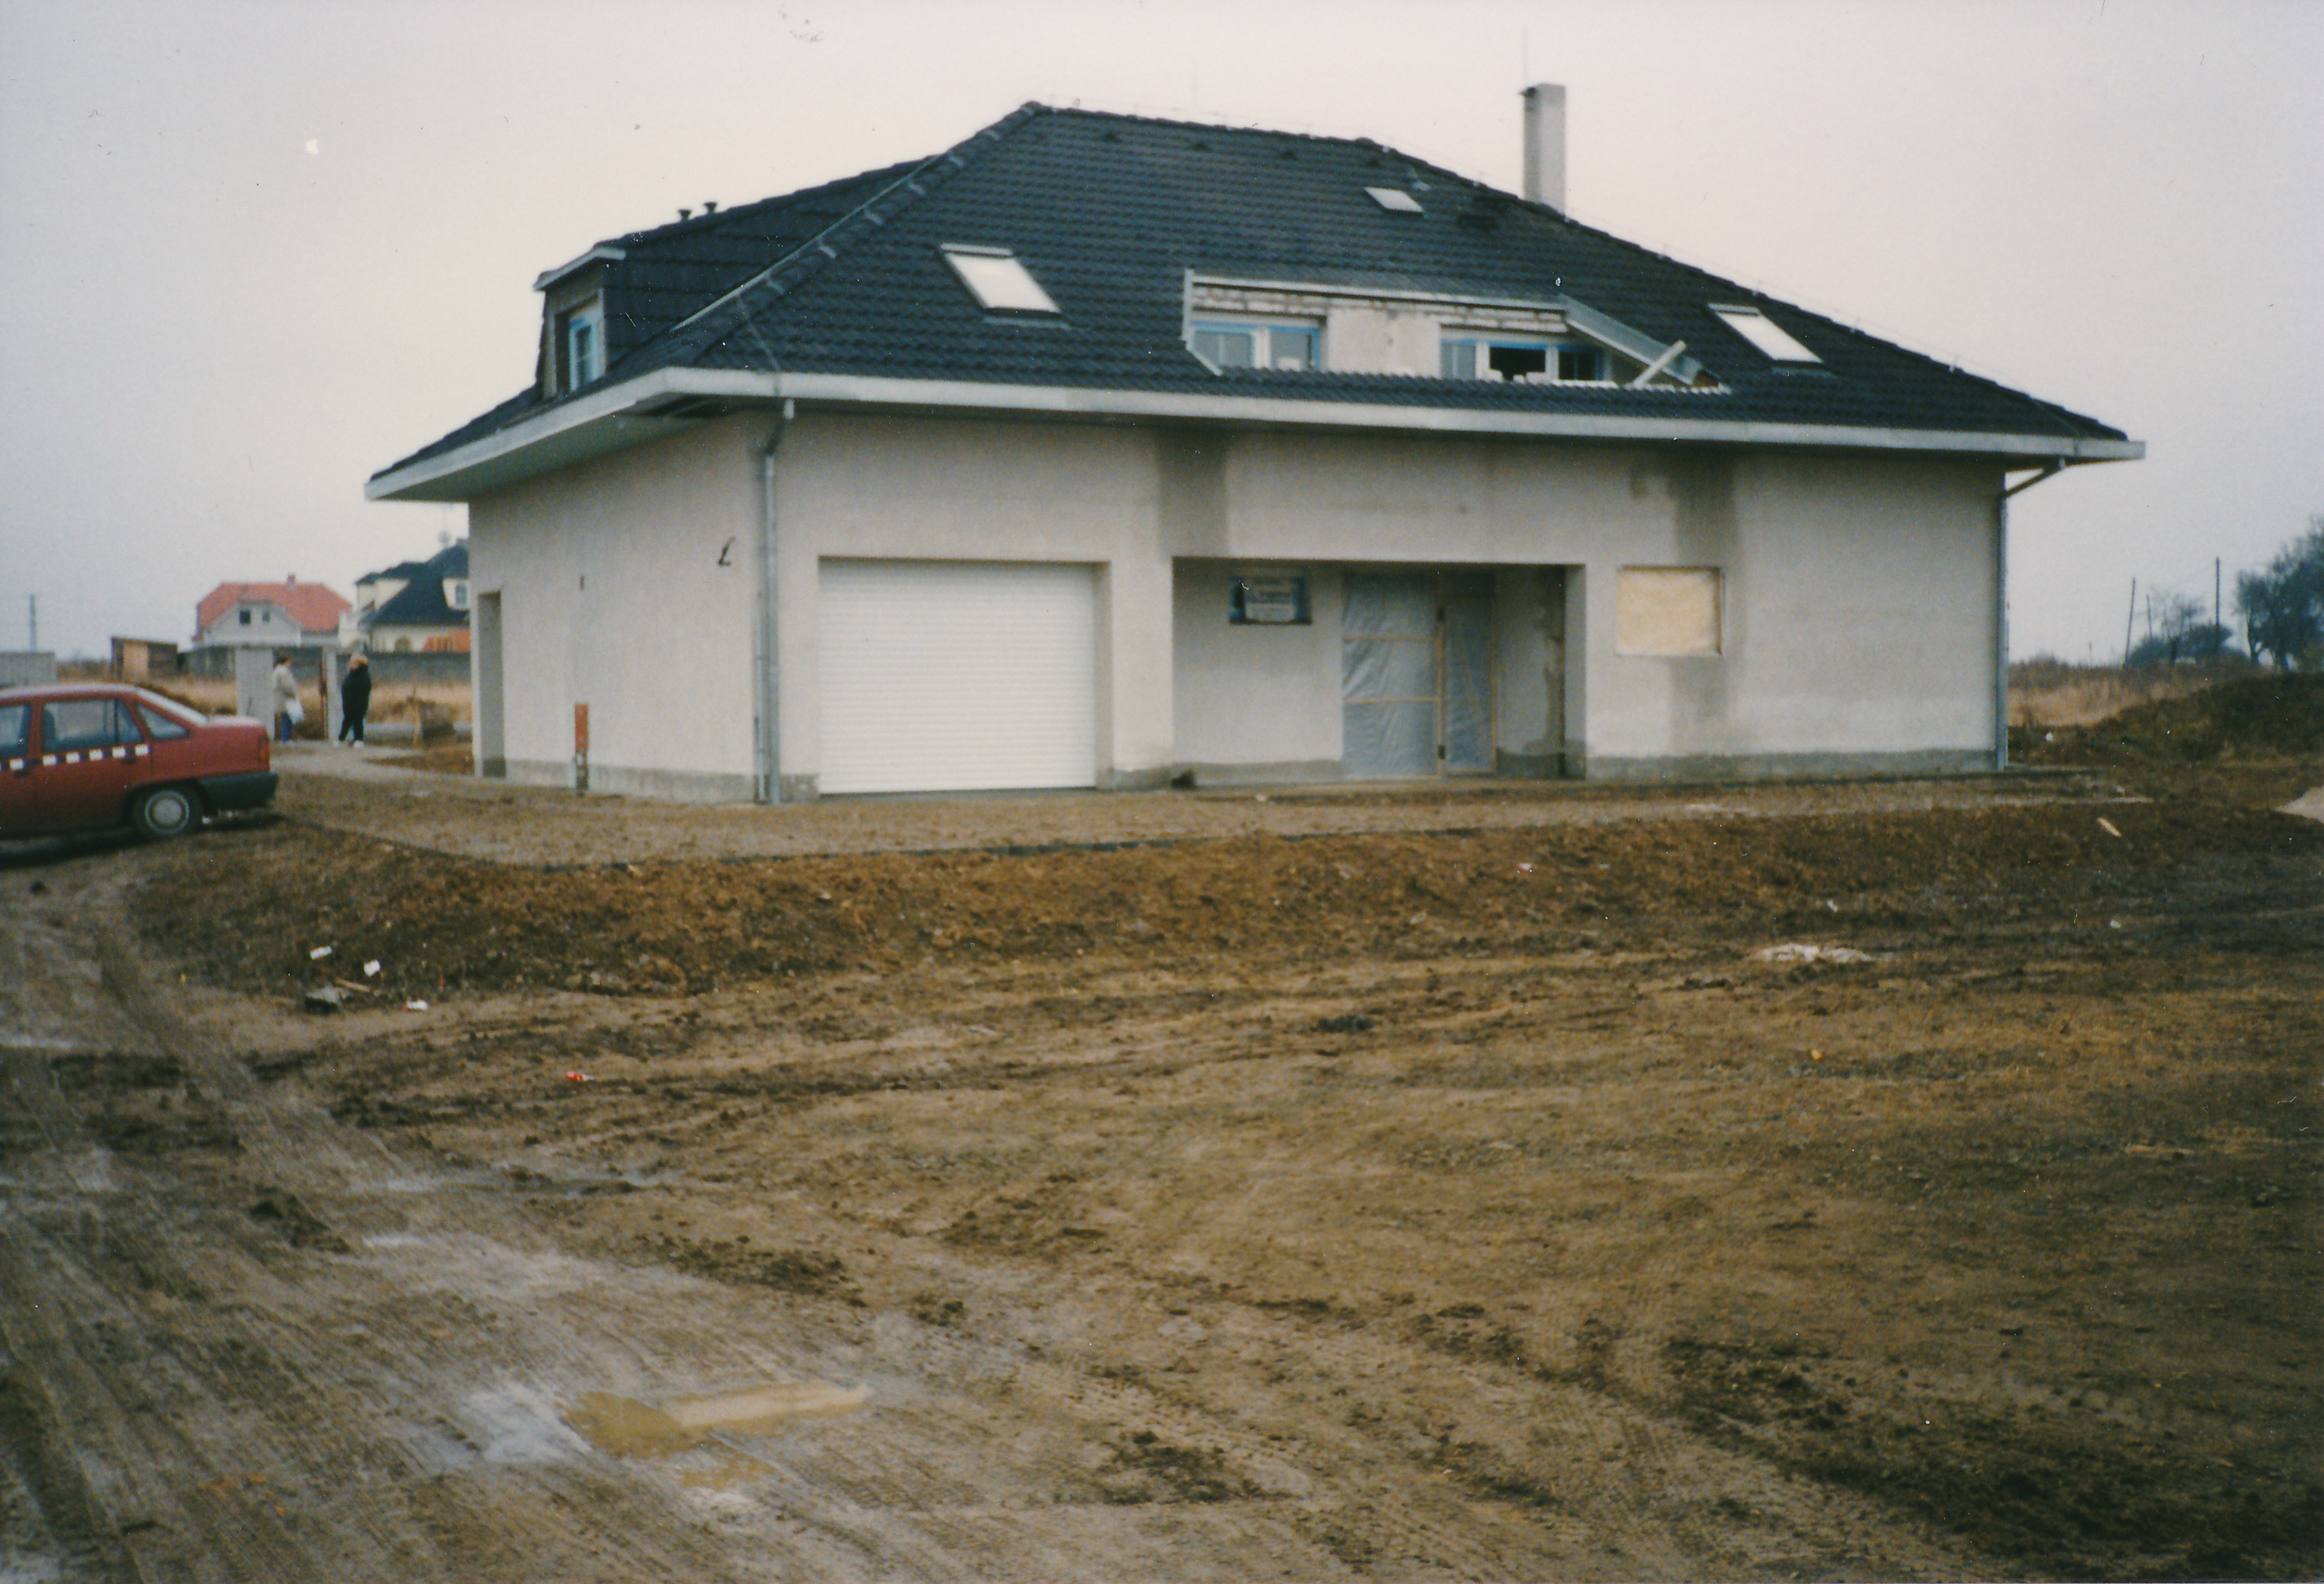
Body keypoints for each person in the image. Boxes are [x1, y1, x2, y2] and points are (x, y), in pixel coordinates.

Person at [339, 653, 372, 745]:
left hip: (359, 703)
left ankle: (359, 740)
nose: (350, 664)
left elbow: (364, 690)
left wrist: (356, 699)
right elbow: (346, 687)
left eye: (353, 662)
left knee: (358, 721)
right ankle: (341, 739)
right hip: (348, 702)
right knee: (347, 720)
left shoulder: (364, 676)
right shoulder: (351, 675)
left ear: (359, 663)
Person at [271, 654, 297, 742]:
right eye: (289, 661)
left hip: (281, 699)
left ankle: (286, 738)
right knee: (287, 720)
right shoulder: (283, 671)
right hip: (286, 699)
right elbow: (287, 686)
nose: (290, 664)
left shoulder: (277, 671)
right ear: (285, 662)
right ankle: (286, 739)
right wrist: (293, 693)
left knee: (285, 719)